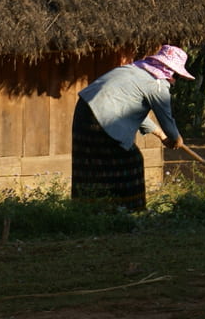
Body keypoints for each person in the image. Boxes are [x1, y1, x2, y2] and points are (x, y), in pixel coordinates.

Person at [71, 44, 194, 211]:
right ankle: (130, 210)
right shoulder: (158, 84)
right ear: (171, 72)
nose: (174, 80)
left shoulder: (134, 71)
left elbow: (127, 109)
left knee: (90, 162)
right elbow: (167, 119)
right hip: (102, 118)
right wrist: (176, 138)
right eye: (177, 76)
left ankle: (90, 210)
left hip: (84, 112)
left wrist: (161, 136)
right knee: (131, 160)